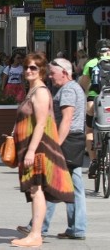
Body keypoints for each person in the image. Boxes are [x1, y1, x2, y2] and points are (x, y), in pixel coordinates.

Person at [11, 52, 74, 248]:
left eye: (33, 68)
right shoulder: (32, 90)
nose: (28, 71)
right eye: (26, 67)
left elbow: (40, 124)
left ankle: (36, 235)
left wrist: (30, 151)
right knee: (34, 190)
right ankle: (35, 233)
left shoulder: (40, 92)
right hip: (31, 147)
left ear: (42, 71)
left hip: (38, 149)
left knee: (36, 189)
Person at [19, 58, 87, 239]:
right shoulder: (70, 89)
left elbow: (66, 120)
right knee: (62, 184)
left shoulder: (69, 90)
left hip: (67, 141)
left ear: (64, 73)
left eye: (52, 73)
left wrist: (56, 144)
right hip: (71, 140)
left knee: (58, 183)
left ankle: (42, 226)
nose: (50, 76)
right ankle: (54, 226)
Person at [79, 39, 110, 179]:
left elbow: (84, 84)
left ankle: (94, 160)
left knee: (89, 129)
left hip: (95, 99)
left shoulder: (91, 63)